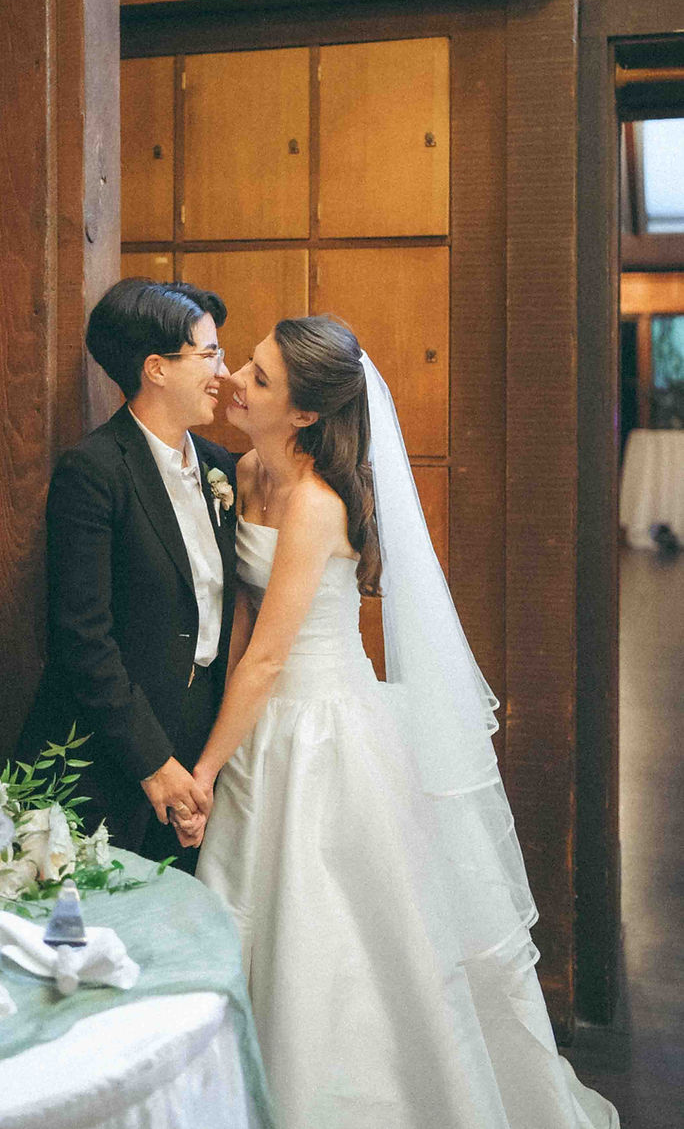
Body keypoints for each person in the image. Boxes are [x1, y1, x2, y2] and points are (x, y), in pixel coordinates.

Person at [193, 315, 619, 1128]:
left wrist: (204, 771)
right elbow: (245, 620)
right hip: (258, 721)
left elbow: (272, 658)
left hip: (324, 729)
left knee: (336, 931)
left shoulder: (318, 504)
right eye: (245, 363)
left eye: (258, 377)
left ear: (305, 414)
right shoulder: (246, 472)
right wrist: (222, 742)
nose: (234, 380)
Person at [17, 278, 237, 872]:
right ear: (156, 368)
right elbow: (81, 639)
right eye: (209, 354)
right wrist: (154, 763)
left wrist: (203, 766)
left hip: (200, 747)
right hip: (109, 754)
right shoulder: (94, 471)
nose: (223, 370)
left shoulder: (221, 469)